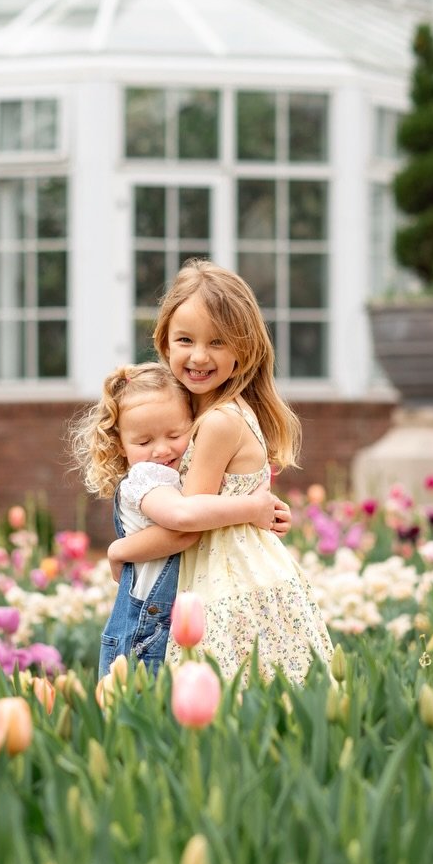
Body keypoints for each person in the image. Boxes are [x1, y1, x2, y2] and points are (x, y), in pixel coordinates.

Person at [110, 259, 335, 683]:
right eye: (185, 339)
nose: (198, 355)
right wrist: (255, 506)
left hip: (226, 586)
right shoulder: (202, 410)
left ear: (244, 349)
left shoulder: (217, 422)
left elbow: (187, 527)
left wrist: (119, 550)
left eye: (217, 342)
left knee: (228, 701)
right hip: (244, 574)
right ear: (164, 342)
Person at [70, 362, 288, 678]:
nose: (161, 449)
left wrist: (267, 509)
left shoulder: (181, 473)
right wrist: (252, 508)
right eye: (143, 442)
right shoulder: (146, 479)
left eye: (175, 434)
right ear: (120, 444)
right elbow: (183, 522)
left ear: (193, 423)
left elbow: (213, 507)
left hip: (166, 621)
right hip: (145, 629)